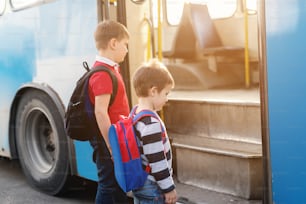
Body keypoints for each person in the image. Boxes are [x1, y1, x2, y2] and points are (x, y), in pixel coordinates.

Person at [88, 20, 130, 204]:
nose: (127, 50)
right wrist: (111, 145)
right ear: (113, 43)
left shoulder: (110, 69)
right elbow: (100, 112)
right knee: (108, 185)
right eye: (125, 45)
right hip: (107, 139)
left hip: (114, 137)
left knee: (118, 183)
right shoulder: (102, 74)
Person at [131, 59, 178, 204]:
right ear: (153, 91)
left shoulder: (135, 113)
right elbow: (157, 161)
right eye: (166, 93)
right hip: (152, 185)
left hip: (140, 182)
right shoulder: (150, 124)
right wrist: (168, 188)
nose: (167, 99)